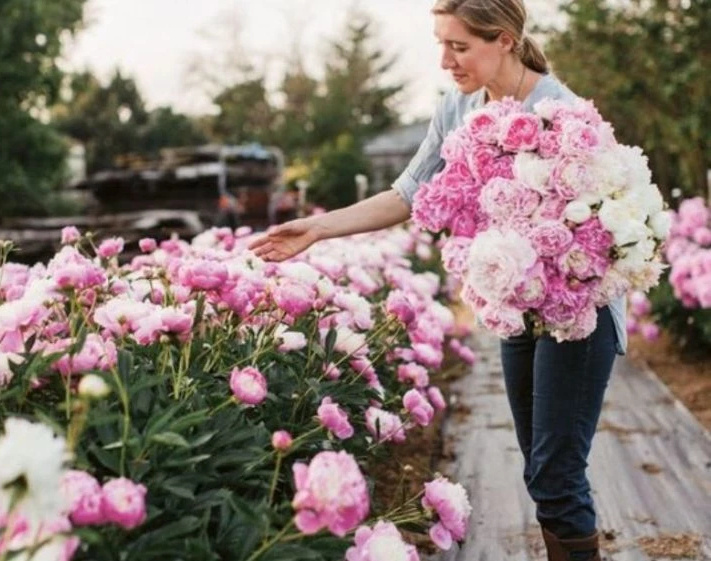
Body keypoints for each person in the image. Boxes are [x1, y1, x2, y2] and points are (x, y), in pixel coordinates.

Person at [249, 1, 626, 559]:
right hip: (517, 309)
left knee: (555, 474)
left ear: (503, 40)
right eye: (440, 43)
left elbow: (612, 225)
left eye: (459, 45)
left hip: (578, 315)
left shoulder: (563, 115)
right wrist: (318, 228)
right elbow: (408, 193)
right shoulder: (457, 109)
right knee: (540, 469)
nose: (446, 60)